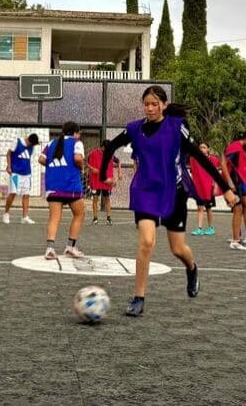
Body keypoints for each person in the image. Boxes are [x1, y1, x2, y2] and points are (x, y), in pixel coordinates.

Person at [100, 86, 237, 317]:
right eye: (146, 104)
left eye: (155, 104)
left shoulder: (176, 127)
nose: (150, 108)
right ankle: (138, 297)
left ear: (164, 105)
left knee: (177, 249)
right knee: (146, 242)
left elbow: (200, 157)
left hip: (174, 191)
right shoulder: (135, 128)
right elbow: (110, 146)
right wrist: (105, 173)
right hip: (145, 191)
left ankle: (191, 268)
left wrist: (225, 188)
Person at [39, 122, 86, 259]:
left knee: (54, 218)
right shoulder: (77, 143)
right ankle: (70, 246)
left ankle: (49, 249)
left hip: (53, 184)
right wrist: (82, 167)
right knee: (79, 214)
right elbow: (78, 158)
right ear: (76, 132)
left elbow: (41, 159)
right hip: (70, 184)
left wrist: (54, 167)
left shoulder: (51, 143)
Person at [3, 133, 39, 225]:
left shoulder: (32, 146)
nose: (33, 146)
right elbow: (8, 154)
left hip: (27, 174)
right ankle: (6, 213)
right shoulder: (17, 142)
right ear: (29, 141)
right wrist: (9, 166)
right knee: (13, 193)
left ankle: (25, 217)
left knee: (26, 195)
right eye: (32, 144)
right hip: (15, 173)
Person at [87, 139, 122, 225]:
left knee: (107, 199)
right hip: (96, 180)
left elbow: (118, 161)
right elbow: (86, 162)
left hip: (107, 180)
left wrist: (119, 172)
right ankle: (95, 218)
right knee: (95, 199)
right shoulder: (93, 153)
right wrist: (92, 169)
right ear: (102, 147)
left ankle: (109, 218)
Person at [190, 142, 220, 236]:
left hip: (209, 188)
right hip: (199, 188)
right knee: (199, 208)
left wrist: (215, 186)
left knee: (208, 208)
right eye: (200, 147)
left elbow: (216, 174)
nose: (202, 149)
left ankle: (211, 228)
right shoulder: (194, 159)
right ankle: (199, 228)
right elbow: (193, 173)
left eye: (204, 147)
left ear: (208, 149)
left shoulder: (214, 160)